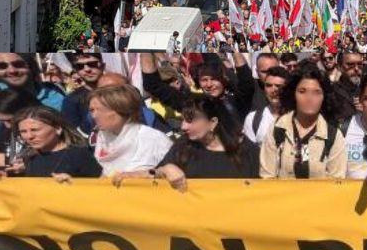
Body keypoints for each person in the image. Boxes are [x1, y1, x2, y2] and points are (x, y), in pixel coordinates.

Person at [115, 95, 260, 190]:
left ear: (213, 122)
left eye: (191, 120)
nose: (184, 126)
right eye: (183, 120)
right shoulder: (183, 145)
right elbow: (156, 172)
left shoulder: (248, 151)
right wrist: (165, 169)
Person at [259, 67, 347, 179]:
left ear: (324, 97)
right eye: (302, 91)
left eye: (316, 92)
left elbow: (336, 183)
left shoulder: (333, 136)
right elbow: (267, 177)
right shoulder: (277, 129)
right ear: (293, 94)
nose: (309, 98)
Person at [88, 84, 174, 177]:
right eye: (92, 110)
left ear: (122, 109)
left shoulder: (155, 140)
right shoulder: (102, 139)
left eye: (101, 110)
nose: (94, 116)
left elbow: (175, 176)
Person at [0, 106, 101, 180]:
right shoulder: (29, 158)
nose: (29, 136)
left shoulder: (79, 155)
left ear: (57, 128)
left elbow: (99, 188)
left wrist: (73, 184)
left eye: (35, 130)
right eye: (23, 132)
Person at [0, 53, 69, 116]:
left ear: (32, 67)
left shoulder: (56, 99)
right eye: (2, 66)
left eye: (18, 65)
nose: (12, 71)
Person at [243, 67, 288, 144]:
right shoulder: (252, 119)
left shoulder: (299, 117)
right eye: (268, 85)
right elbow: (249, 153)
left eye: (278, 86)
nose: (273, 90)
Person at [0, 87, 40, 171]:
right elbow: (0, 157)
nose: (8, 126)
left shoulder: (49, 134)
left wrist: (30, 166)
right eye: (2, 121)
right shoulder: (6, 132)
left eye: (10, 120)